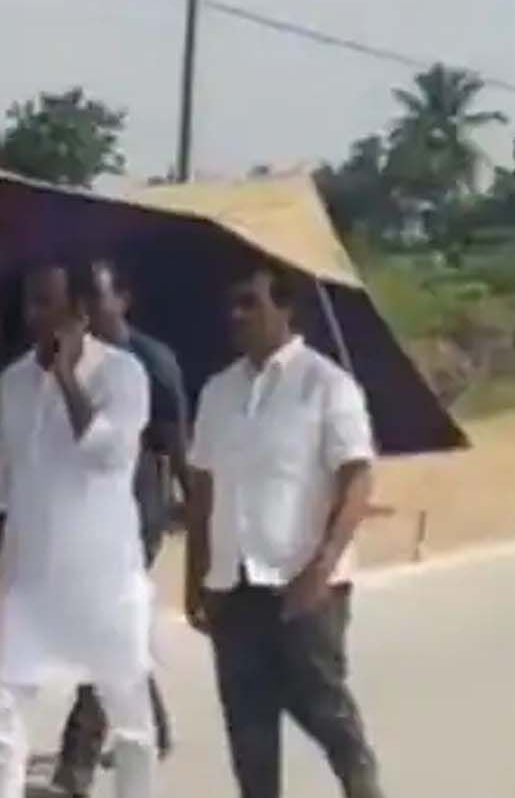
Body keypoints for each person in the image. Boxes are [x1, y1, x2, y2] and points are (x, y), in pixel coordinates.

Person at [185, 261, 384, 798]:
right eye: (232, 305)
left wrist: (322, 567)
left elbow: (357, 478)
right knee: (248, 732)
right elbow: (202, 489)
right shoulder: (217, 393)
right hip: (234, 587)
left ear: (286, 309)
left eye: (250, 303)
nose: (237, 316)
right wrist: (196, 578)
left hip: (303, 586)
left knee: (326, 713)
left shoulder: (326, 385)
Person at [0, 262, 156, 798]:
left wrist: (68, 377)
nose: (32, 315)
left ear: (79, 311)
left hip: (104, 580)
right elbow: (7, 475)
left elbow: (108, 454)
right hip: (28, 578)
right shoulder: (14, 381)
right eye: (29, 302)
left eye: (45, 303)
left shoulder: (123, 374)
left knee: (131, 719)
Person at [52, 260, 187, 796]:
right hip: (86, 513)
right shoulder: (71, 365)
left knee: (104, 627)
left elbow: (177, 440)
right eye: (80, 300)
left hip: (138, 510)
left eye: (97, 297)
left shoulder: (151, 362)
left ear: (123, 299)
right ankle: (153, 725)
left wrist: (196, 513)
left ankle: (76, 763)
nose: (87, 310)